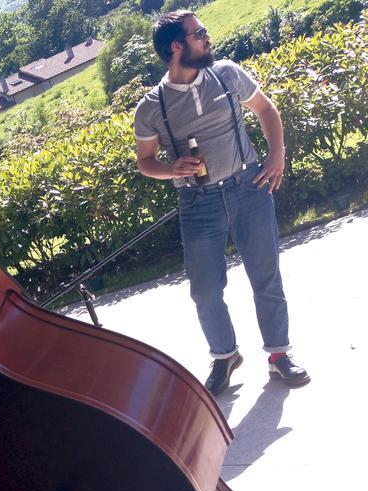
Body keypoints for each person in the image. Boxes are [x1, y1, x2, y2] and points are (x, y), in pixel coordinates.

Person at [133, 10, 310, 394]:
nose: (208, 36)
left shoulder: (226, 73)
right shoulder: (151, 107)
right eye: (199, 33)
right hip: (198, 203)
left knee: (266, 276)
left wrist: (276, 155)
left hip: (248, 186)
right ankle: (225, 356)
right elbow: (146, 162)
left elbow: (266, 109)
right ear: (176, 46)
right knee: (205, 290)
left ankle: (279, 355)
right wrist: (171, 168)